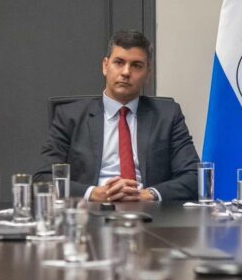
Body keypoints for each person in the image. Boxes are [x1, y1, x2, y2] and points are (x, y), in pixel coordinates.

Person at [34, 30, 199, 202]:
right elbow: (43, 178)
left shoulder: (167, 115)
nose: (126, 72)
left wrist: (149, 194)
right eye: (119, 62)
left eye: (136, 65)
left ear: (148, 73)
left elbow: (194, 176)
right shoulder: (70, 116)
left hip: (150, 212)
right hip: (90, 212)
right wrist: (93, 193)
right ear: (105, 66)